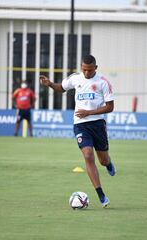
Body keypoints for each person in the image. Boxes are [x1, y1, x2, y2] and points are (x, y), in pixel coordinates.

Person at [40, 54, 116, 208]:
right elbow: (61, 88)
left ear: (95, 68)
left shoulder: (103, 82)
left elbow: (110, 107)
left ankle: (108, 163)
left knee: (102, 160)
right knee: (88, 156)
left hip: (98, 124)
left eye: (89, 70)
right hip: (80, 124)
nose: (86, 73)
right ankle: (101, 195)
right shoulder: (75, 78)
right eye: (84, 70)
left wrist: (89, 112)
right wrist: (50, 84)